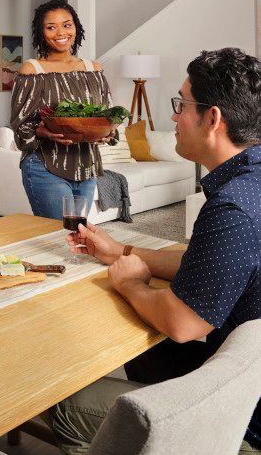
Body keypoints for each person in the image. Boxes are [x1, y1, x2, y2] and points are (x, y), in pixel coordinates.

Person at [50, 47, 261, 453]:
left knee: (68, 404)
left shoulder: (232, 208)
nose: (174, 116)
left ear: (212, 118)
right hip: (246, 374)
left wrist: (130, 283)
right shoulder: (251, 183)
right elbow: (206, 261)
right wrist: (121, 252)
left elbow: (184, 323)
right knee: (147, 357)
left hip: (242, 418)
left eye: (181, 104)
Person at [10, 0, 116, 220]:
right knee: (58, 238)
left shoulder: (93, 69)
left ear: (76, 27)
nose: (61, 32)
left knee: (76, 236)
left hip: (86, 168)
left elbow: (107, 114)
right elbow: (20, 126)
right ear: (41, 32)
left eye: (67, 25)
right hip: (44, 166)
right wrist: (43, 131)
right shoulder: (32, 70)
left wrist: (108, 132)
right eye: (51, 27)